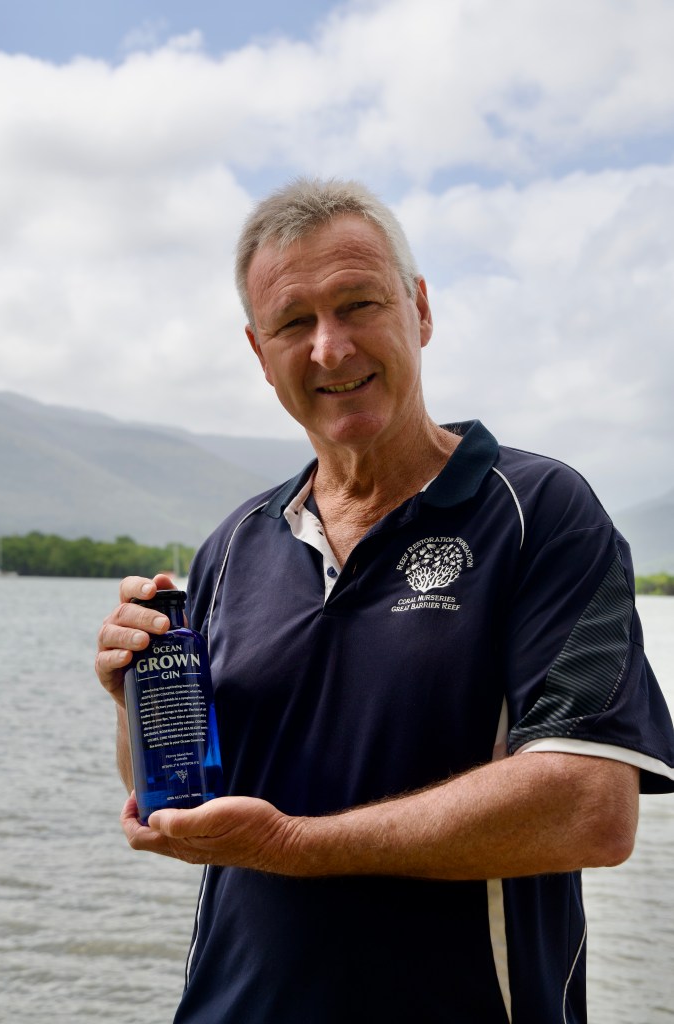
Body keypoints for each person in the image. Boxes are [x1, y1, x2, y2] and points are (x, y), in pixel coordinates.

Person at [96, 178, 674, 1024]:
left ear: (421, 311)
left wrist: (295, 846)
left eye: (357, 304)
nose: (329, 348)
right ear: (260, 354)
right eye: (293, 322)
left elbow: (588, 807)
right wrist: (133, 705)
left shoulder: (539, 512)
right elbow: (178, 803)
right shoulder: (233, 544)